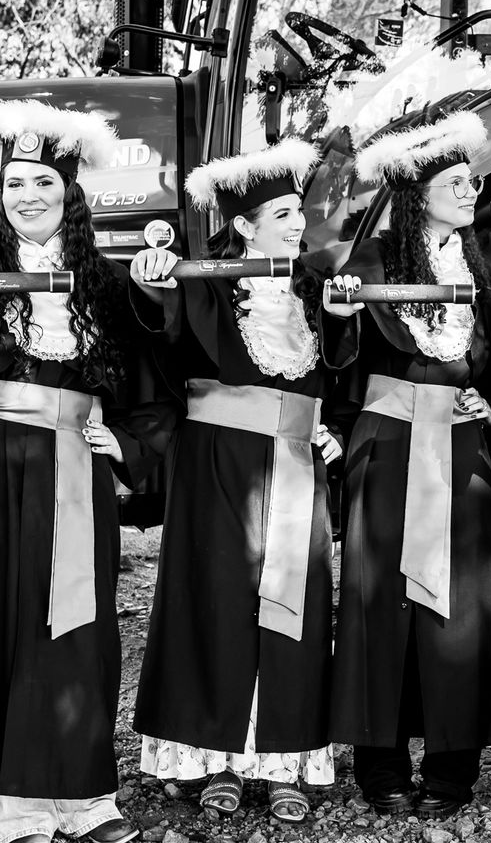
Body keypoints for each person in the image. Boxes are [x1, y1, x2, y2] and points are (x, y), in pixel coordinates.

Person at [0, 100, 174, 843]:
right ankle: (14, 805)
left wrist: (128, 447)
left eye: (44, 182)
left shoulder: (105, 285)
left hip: (77, 465)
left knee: (78, 625)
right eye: (15, 183)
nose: (28, 196)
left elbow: (152, 386)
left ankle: (84, 799)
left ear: (69, 191)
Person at [129, 139, 360, 824]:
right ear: (243, 225)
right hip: (218, 466)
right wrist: (154, 283)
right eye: (281, 214)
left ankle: (284, 759)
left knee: (295, 607)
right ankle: (219, 757)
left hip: (296, 464)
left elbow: (344, 375)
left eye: (298, 212)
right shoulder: (206, 282)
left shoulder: (316, 286)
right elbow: (165, 333)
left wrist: (333, 428)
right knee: (219, 605)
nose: (297, 224)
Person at [328, 112, 491, 821]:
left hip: (461, 448)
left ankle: (453, 768)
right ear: (417, 193)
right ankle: (380, 763)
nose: (470, 192)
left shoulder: (482, 268)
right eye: (456, 182)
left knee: (461, 609)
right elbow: (336, 357)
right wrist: (339, 315)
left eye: (472, 182)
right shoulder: (368, 264)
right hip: (390, 447)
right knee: (380, 607)